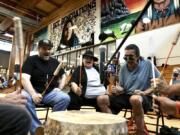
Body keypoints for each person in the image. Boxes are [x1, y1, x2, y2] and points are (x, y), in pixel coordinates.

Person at [97, 44, 160, 135]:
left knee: (135, 99)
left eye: (131, 58)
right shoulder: (123, 68)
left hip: (144, 97)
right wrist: (118, 89)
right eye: (125, 58)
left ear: (138, 57)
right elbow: (123, 88)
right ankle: (115, 127)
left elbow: (157, 84)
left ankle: (140, 132)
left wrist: (144, 92)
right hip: (127, 96)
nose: (128, 61)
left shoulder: (148, 64)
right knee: (101, 99)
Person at [21, 39, 70, 135]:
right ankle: (37, 130)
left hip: (50, 93)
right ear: (39, 49)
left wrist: (59, 88)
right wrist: (33, 94)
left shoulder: (55, 62)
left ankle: (50, 125)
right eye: (44, 49)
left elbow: (64, 76)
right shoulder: (31, 60)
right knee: (24, 97)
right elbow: (24, 78)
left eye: (49, 49)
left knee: (65, 98)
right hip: (32, 91)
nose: (47, 51)